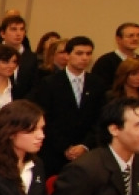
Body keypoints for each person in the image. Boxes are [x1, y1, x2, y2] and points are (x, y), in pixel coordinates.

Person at [29, 35, 107, 177]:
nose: (84, 58)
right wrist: (65, 147)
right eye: (79, 53)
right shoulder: (49, 83)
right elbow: (45, 118)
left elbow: (100, 118)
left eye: (88, 54)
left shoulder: (97, 84)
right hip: (54, 152)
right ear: (68, 55)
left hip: (85, 152)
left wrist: (84, 145)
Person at [91, 22, 139, 89]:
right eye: (131, 36)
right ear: (118, 39)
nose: (135, 39)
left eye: (138, 35)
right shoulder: (105, 62)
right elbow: (99, 88)